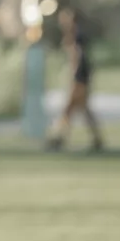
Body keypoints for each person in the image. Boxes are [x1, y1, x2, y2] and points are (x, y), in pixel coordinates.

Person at [46, 8, 104, 152]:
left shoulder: (76, 36)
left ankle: (58, 138)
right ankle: (96, 139)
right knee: (82, 110)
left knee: (69, 109)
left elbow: (76, 57)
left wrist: (73, 76)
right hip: (81, 78)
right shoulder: (74, 35)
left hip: (79, 79)